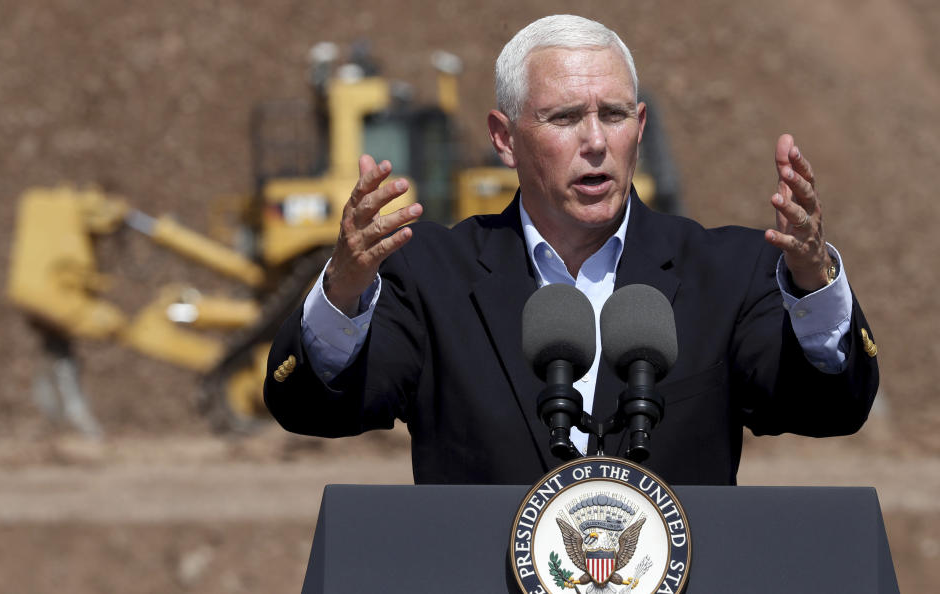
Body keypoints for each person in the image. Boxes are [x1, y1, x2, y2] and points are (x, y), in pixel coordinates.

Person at [263, 15, 879, 486]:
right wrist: (343, 290)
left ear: (639, 127)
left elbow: (831, 408)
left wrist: (813, 282)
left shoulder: (729, 271)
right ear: (504, 139)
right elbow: (314, 409)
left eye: (613, 115)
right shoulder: (428, 275)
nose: (595, 142)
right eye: (563, 118)